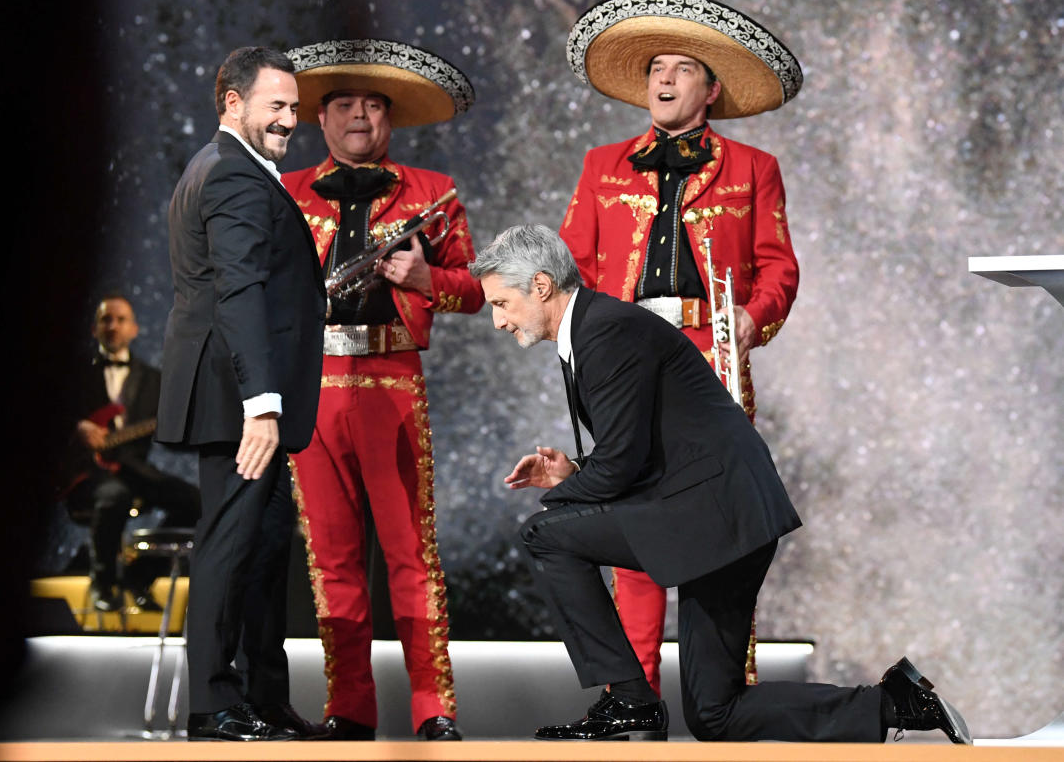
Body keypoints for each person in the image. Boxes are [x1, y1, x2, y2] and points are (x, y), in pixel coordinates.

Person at [468, 224, 970, 744]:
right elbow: (639, 448)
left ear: (543, 285)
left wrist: (566, 491)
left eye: (502, 303)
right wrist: (573, 473)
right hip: (727, 515)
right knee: (716, 715)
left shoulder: (605, 330)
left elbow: (620, 464)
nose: (499, 321)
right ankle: (894, 704)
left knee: (543, 534)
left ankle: (628, 701)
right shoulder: (595, 330)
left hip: (714, 511)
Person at [558, 0, 804, 695]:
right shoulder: (602, 164)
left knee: (718, 528)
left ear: (711, 88)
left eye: (680, 69)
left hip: (710, 357)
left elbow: (779, 266)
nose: (662, 80)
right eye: (655, 68)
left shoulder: (754, 168)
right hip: (627, 360)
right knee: (634, 526)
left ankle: (726, 694)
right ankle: (630, 700)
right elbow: (572, 267)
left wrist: (756, 318)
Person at [279, 39, 484, 741]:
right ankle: (350, 709)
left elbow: (477, 290)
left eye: (372, 103)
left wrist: (424, 280)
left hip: (394, 380)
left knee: (409, 554)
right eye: (343, 104)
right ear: (321, 118)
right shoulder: (288, 192)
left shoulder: (435, 191)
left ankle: (434, 709)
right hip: (314, 389)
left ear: (390, 116)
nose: (359, 115)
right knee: (332, 559)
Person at [156, 46, 327, 742]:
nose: (290, 120)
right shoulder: (232, 175)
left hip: (243, 394)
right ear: (232, 102)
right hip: (238, 399)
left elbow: (262, 283)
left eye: (294, 107)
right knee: (230, 545)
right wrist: (262, 401)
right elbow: (238, 290)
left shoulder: (236, 171)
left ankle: (261, 696)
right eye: (275, 106)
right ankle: (213, 705)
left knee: (263, 546)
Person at [66, 294, 200, 613]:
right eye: (105, 319)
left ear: (134, 329)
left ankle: (141, 574)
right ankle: (103, 582)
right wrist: (78, 428)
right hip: (88, 473)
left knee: (196, 502)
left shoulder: (153, 379)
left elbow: (170, 436)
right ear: (93, 329)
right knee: (114, 496)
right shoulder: (75, 374)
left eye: (120, 319)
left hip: (135, 469)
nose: (113, 326)